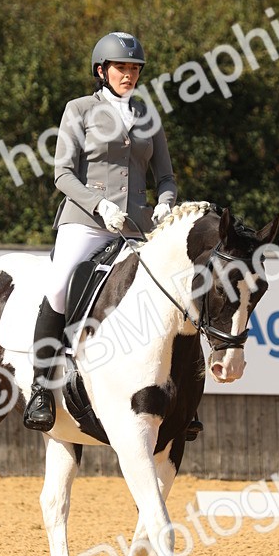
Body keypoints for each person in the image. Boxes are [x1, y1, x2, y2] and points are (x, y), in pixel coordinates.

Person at [22, 31, 178, 432]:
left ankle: (180, 398)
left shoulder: (148, 115)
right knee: (58, 286)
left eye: (134, 69)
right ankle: (41, 387)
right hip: (87, 222)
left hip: (136, 228)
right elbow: (62, 174)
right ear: (102, 70)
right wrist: (99, 204)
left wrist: (164, 203)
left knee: (174, 296)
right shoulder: (79, 110)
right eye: (121, 68)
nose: (129, 75)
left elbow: (165, 176)